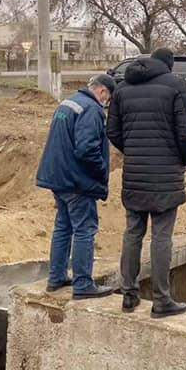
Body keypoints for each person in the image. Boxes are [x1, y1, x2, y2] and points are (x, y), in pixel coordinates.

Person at [107, 47, 186, 318]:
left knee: (133, 233)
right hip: (165, 174)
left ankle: (129, 294)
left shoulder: (122, 88)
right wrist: (182, 159)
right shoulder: (175, 85)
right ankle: (161, 300)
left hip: (134, 173)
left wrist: (133, 150)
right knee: (161, 236)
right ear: (169, 65)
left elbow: (112, 130)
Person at [35, 74, 117, 297]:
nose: (107, 103)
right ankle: (82, 284)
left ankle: (57, 277)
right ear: (102, 92)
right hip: (76, 182)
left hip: (58, 178)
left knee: (63, 227)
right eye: (108, 98)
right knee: (84, 230)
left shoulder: (67, 103)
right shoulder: (91, 110)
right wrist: (101, 171)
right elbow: (87, 149)